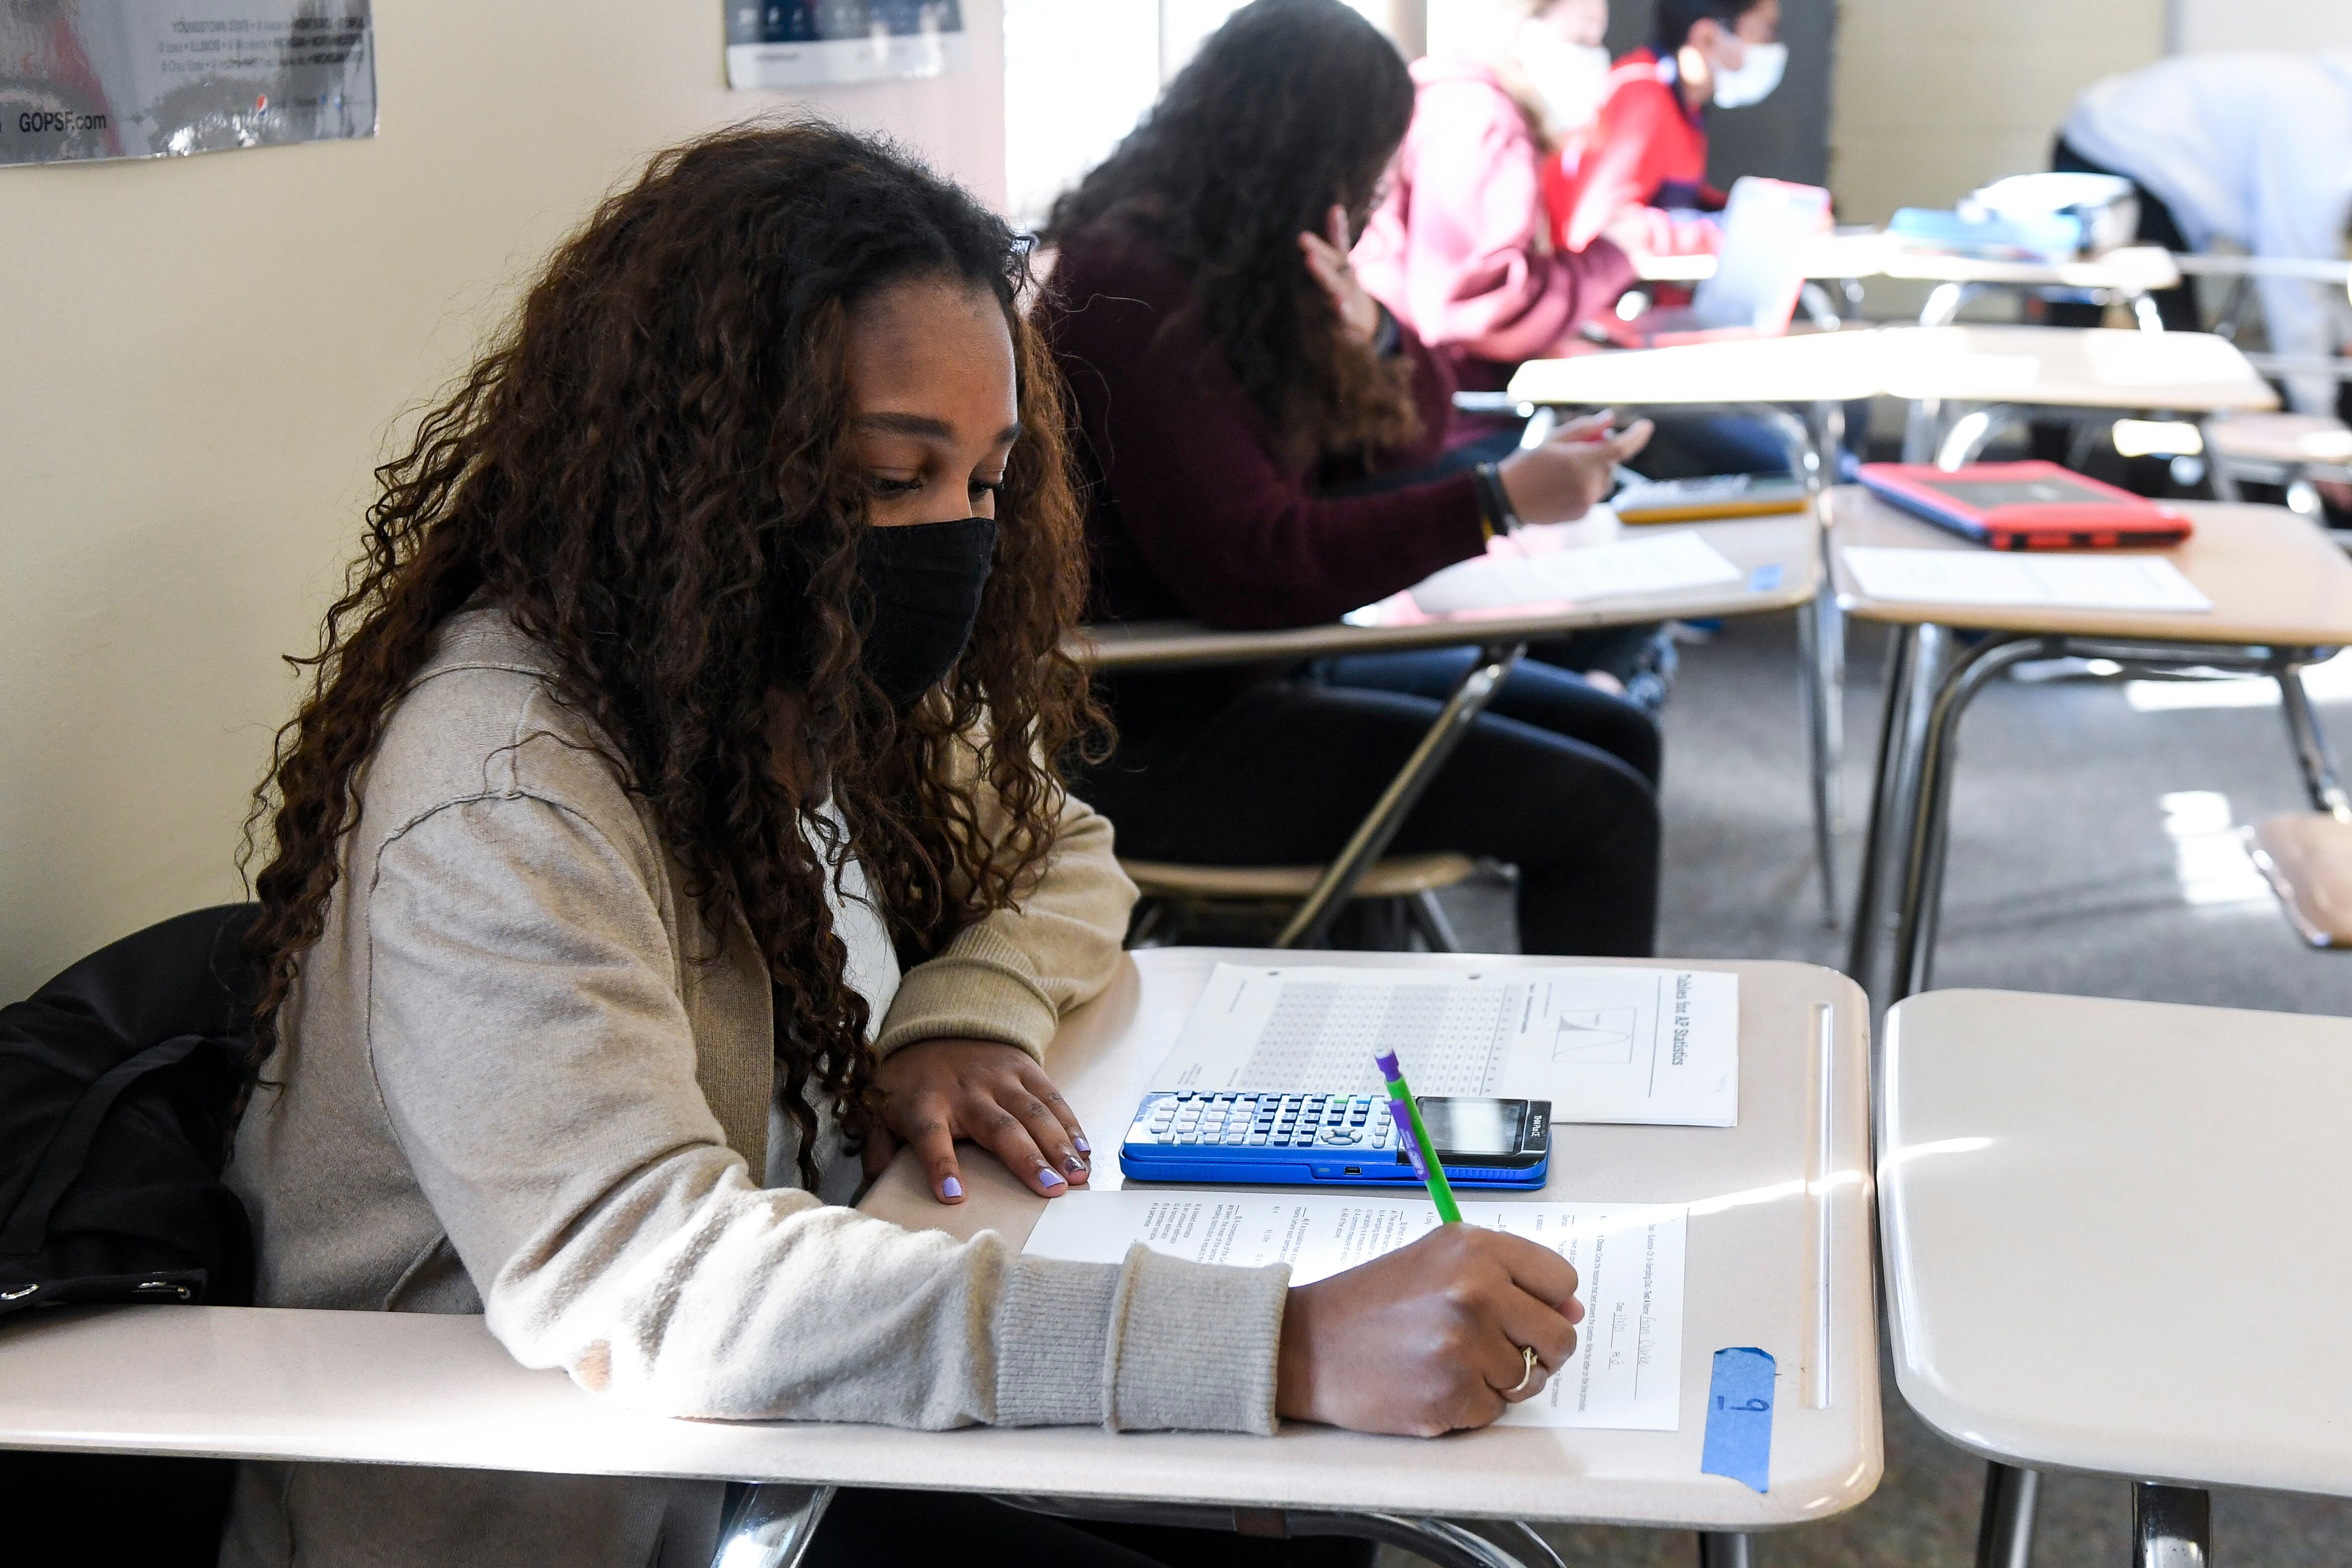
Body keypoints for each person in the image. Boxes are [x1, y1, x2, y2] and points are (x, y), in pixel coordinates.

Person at [219, 121, 1587, 1568]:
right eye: (888, 479)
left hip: (798, 1442)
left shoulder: (794, 677)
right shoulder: (507, 798)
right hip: (593, 1502)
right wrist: (1283, 1343)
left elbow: (1063, 849)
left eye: (986, 483)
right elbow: (663, 1287)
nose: (951, 535)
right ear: (701, 470)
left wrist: (957, 1012)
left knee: (1296, 1529)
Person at [1042, 0, 1666, 959]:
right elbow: (1256, 563)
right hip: (1161, 730)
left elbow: (1402, 446)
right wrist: (1499, 501)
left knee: (1619, 735)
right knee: (1600, 811)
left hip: (1253, 668)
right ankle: (1586, 1097)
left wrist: (1368, 334)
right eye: (1372, 162)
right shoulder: (1134, 291)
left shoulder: (1238, 262)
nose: (1378, 189)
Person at [1353, 0, 1642, 419]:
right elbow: (1480, 309)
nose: (1597, 56)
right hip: (1439, 407)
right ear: (1519, 29)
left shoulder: (1461, 101)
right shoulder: (1481, 120)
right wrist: (1611, 259)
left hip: (1421, 390)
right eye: (1582, 35)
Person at [2053, 52, 2352, 415]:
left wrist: (2341, 339)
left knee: (2175, 353)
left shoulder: (2327, 103)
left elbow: (2317, 267)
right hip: (2112, 151)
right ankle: (2070, 460)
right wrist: (2317, 416)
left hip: (2130, 146)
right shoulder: (2321, 138)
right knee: (2176, 356)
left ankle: (2154, 457)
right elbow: (2296, 281)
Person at [1546, 0, 1785, 258]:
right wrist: (1724, 236)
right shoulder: (1641, 96)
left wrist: (1765, 219)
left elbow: (1679, 202)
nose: (1774, 46)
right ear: (1705, 37)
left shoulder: (1683, 104)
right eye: (1767, 31)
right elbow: (1600, 232)